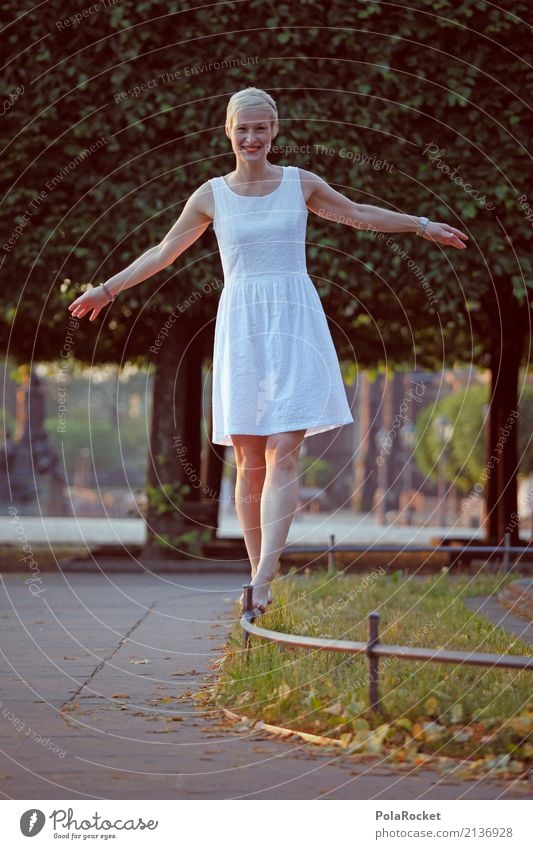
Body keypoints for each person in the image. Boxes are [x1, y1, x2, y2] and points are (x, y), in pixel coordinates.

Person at [68, 86, 468, 614]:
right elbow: (163, 252)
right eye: (243, 128)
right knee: (249, 460)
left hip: (295, 320)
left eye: (261, 128)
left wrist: (419, 225)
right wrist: (108, 288)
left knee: (286, 450)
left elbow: (358, 213)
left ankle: (262, 578)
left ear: (274, 131)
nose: (252, 137)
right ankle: (258, 580)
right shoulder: (210, 195)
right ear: (228, 132)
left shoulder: (300, 185)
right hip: (242, 328)